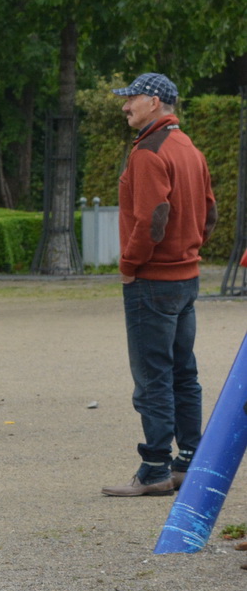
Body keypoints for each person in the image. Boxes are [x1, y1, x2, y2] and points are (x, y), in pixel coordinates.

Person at [103, 73, 216, 497]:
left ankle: (154, 469)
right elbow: (209, 212)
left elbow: (153, 218)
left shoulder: (149, 152)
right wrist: (190, 249)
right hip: (186, 276)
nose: (125, 106)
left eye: (131, 98)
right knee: (184, 373)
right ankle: (188, 460)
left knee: (153, 378)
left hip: (152, 280)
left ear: (154, 101)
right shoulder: (189, 148)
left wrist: (130, 264)